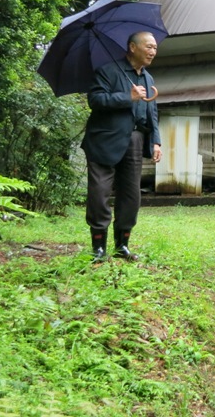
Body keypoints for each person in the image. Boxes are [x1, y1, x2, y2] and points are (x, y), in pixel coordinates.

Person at [81, 32, 162, 262]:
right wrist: (127, 97)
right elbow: (95, 100)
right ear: (132, 47)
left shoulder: (148, 78)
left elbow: (152, 113)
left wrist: (156, 141)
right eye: (148, 46)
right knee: (99, 194)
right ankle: (98, 248)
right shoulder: (108, 71)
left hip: (134, 141)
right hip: (103, 142)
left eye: (155, 48)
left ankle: (122, 245)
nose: (153, 51)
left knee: (131, 195)